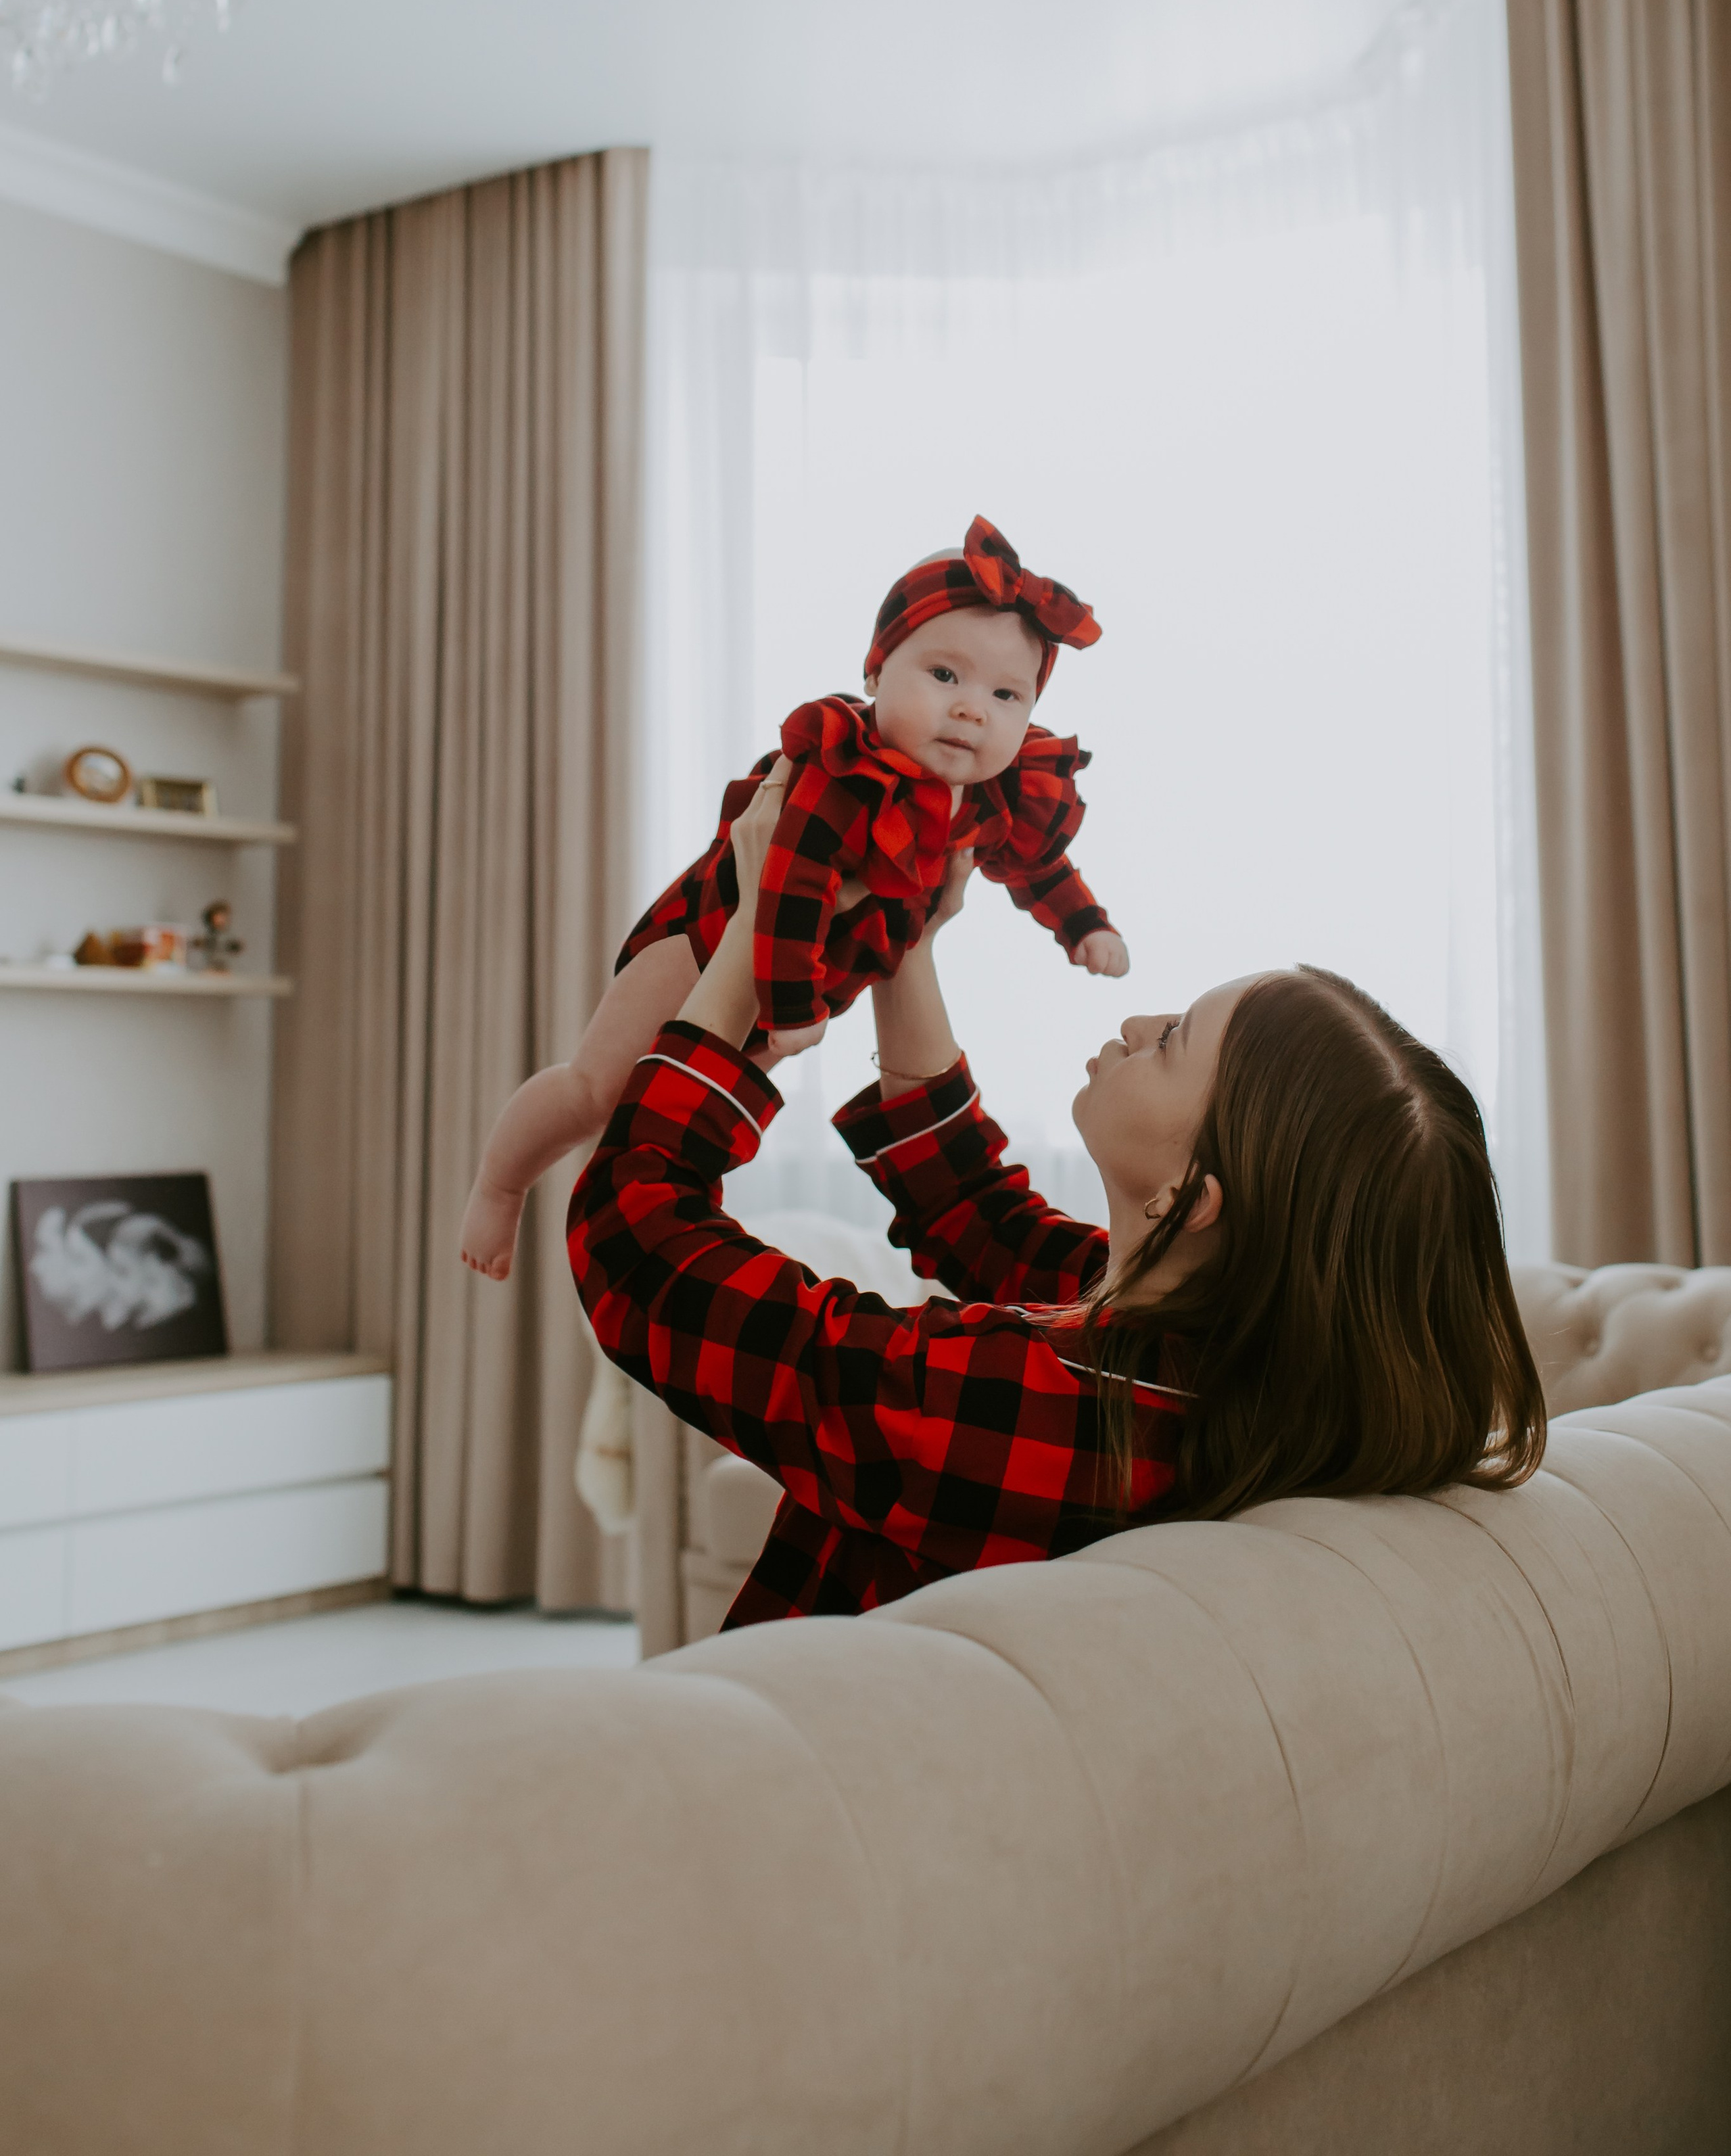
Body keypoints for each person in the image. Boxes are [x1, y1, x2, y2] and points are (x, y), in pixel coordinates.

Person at [565, 763, 1547, 1626]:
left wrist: (752, 933)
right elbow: (980, 1213)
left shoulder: (1047, 1410)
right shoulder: (1203, 1366)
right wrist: (905, 936)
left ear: (1189, 1197)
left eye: (1174, 1041)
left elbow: (640, 1251)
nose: (1135, 1020)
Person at [460, 515, 1128, 1282]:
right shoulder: (839, 771)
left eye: (1006, 693)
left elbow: (1038, 863)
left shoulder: (983, 796)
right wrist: (787, 1003)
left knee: (690, 1127)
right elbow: (791, 886)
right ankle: (500, 1183)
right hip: (707, 946)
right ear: (876, 673)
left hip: (804, 989)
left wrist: (1081, 925)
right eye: (944, 676)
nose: (973, 708)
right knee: (596, 1091)